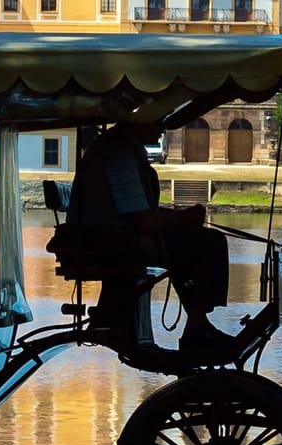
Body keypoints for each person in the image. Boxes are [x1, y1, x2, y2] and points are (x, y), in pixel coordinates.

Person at [58, 120, 232, 351]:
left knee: (190, 241)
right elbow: (143, 221)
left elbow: (138, 211)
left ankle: (197, 323)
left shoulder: (119, 147)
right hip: (112, 242)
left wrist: (182, 216)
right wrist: (184, 218)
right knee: (210, 242)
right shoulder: (121, 153)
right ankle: (197, 325)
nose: (163, 127)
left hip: (108, 236)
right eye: (158, 121)